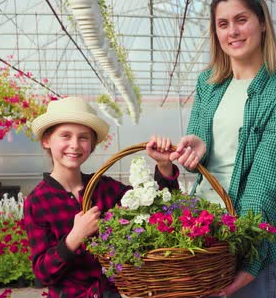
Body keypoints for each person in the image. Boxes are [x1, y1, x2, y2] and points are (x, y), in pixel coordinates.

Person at [169, 0, 276, 298]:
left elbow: (263, 186)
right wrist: (198, 151)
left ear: (262, 23)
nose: (233, 32)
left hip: (249, 241)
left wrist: (249, 264)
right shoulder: (208, 84)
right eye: (223, 24)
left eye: (241, 20)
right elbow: (199, 170)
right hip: (204, 235)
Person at [24, 96, 179, 298]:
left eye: (83, 137)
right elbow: (43, 273)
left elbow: (155, 206)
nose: (75, 145)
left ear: (92, 144)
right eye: (65, 136)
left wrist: (164, 165)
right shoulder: (38, 201)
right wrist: (74, 237)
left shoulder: (105, 188)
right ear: (46, 140)